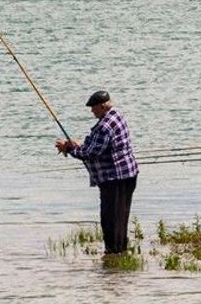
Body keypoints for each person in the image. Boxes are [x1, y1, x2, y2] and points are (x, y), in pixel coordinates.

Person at [55, 89, 139, 257]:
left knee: (110, 220)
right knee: (121, 217)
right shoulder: (117, 116)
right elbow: (97, 146)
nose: (91, 111)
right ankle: (120, 251)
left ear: (102, 106)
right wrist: (77, 145)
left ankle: (113, 254)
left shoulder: (104, 126)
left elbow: (91, 153)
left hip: (113, 178)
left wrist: (70, 148)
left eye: (93, 108)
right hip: (128, 173)